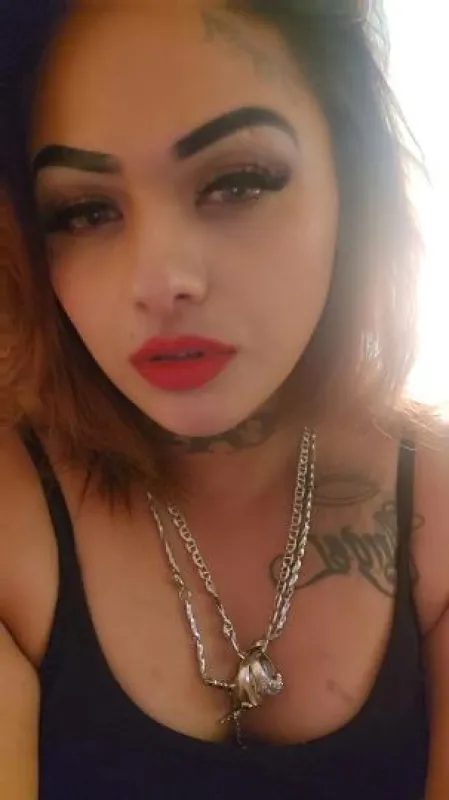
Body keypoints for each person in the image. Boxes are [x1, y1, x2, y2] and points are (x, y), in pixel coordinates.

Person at [1, 0, 448, 797]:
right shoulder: (14, 517)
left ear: (352, 185)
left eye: (237, 183)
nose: (160, 281)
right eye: (85, 210)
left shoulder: (436, 510)